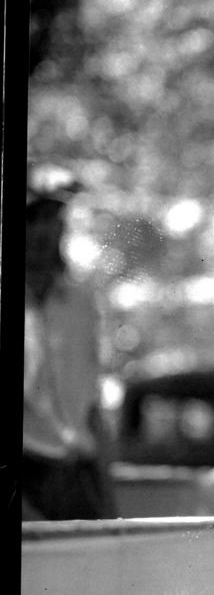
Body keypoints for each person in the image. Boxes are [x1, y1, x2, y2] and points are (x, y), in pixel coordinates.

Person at [22, 164, 117, 520]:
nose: (41, 232)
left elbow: (91, 402)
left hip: (79, 475)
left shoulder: (80, 303)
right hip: (26, 472)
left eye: (51, 217)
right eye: (32, 218)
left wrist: (106, 501)